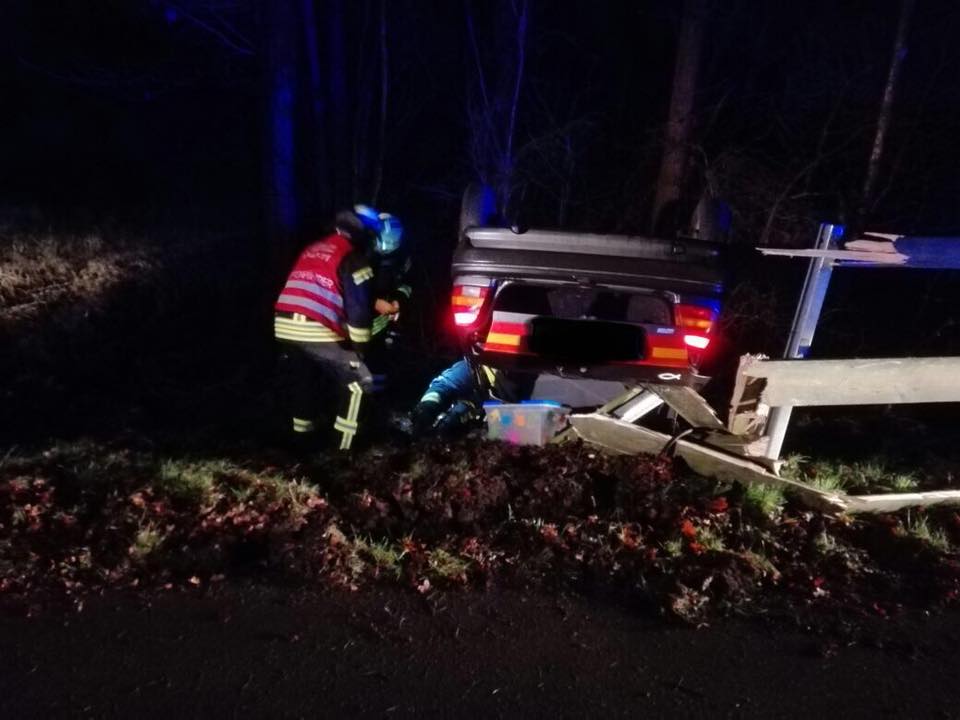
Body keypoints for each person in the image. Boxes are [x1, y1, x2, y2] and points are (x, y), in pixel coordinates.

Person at [274, 209, 377, 451]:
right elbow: (359, 312)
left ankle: (301, 445)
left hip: (283, 325)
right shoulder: (355, 259)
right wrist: (359, 351)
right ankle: (344, 449)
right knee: (358, 383)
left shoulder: (314, 249)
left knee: (304, 382)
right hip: (312, 329)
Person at [410, 358, 536, 436]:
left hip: (490, 409)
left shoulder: (518, 387)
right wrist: (428, 407)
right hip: (481, 385)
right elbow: (442, 386)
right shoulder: (474, 369)